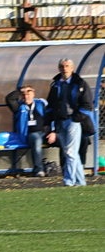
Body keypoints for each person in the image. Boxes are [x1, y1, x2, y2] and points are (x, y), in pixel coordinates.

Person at [45, 58, 92, 186]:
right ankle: (81, 182)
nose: (64, 69)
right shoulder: (56, 85)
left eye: (67, 66)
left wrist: (76, 118)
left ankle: (69, 181)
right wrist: (48, 123)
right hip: (60, 121)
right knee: (70, 152)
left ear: (72, 68)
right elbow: (50, 104)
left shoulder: (80, 83)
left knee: (70, 152)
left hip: (73, 121)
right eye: (62, 66)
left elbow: (87, 105)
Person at [5, 85, 47, 177]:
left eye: (29, 93)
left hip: (44, 133)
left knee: (63, 139)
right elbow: (9, 99)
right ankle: (39, 169)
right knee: (36, 139)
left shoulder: (40, 104)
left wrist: (52, 132)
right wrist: (20, 91)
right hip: (30, 134)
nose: (26, 96)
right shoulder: (19, 107)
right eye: (24, 94)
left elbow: (51, 115)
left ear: (33, 94)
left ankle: (67, 168)